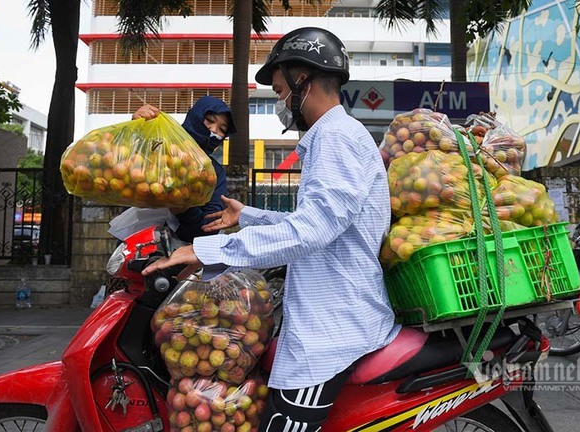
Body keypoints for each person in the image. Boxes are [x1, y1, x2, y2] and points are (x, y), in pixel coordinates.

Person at [142, 27, 400, 431]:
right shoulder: (332, 137)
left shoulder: (335, 138)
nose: (281, 102)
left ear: (303, 81)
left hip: (332, 331)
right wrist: (247, 216)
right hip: (325, 316)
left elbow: (312, 231)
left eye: (280, 91)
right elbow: (320, 226)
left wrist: (208, 251)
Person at [132, 96, 237, 242]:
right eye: (210, 121)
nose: (213, 131)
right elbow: (127, 162)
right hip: (135, 245)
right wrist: (138, 128)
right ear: (195, 117)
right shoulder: (160, 147)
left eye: (222, 129)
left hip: (180, 256)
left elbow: (210, 226)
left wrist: (185, 210)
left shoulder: (214, 173)